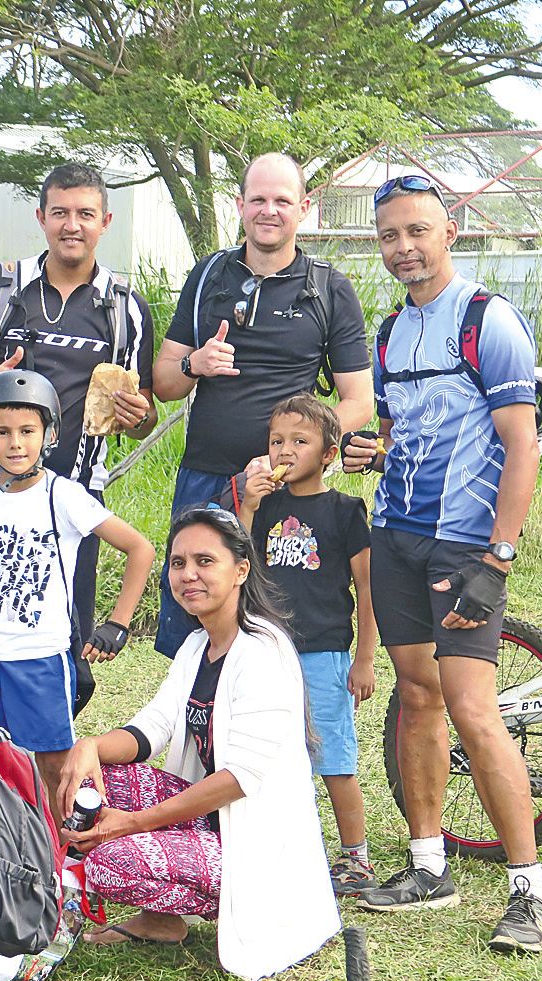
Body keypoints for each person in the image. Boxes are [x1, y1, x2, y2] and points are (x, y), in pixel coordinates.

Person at [338, 173, 542, 954]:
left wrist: (498, 558)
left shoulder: (489, 321)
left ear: (449, 231)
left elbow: (522, 445)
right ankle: (429, 866)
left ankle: (529, 891)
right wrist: (370, 448)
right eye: (390, 235)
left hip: (464, 543)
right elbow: (394, 430)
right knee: (418, 697)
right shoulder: (392, 332)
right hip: (396, 535)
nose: (403, 248)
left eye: (417, 232)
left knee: (471, 707)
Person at [57, 507, 339, 979]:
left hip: (253, 844)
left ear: (241, 569)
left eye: (205, 561)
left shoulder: (263, 651)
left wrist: (131, 824)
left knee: (110, 860)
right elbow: (153, 728)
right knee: (106, 781)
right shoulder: (197, 644)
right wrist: (89, 747)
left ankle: (201, 902)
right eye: (178, 562)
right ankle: (162, 921)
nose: (188, 574)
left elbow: (236, 782)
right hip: (209, 824)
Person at [150, 153, 374, 658]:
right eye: (258, 200)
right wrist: (196, 365)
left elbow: (359, 400)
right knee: (195, 628)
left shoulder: (328, 289)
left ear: (304, 208)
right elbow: (164, 383)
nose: (269, 210)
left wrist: (294, 451)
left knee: (278, 631)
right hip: (207, 480)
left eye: (282, 200)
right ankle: (199, 731)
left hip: (286, 494)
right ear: (240, 205)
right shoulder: (208, 276)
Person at [0, 369, 155, 807]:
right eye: (2, 432)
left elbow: (140, 549)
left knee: (52, 765)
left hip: (41, 657)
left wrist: (118, 624)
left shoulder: (63, 496)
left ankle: (55, 853)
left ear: (48, 434)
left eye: (27, 431)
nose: (15, 443)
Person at [0, 162, 158, 654]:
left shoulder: (125, 305)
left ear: (105, 223)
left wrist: (135, 414)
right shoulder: (2, 289)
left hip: (76, 497)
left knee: (68, 635)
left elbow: (143, 409)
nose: (72, 225)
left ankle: (53, 727)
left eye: (86, 213)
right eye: (60, 212)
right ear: (41, 217)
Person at [231, 395, 377, 897]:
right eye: (276, 441)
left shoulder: (344, 511)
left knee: (332, 755)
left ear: (329, 454)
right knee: (270, 753)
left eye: (300, 441)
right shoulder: (264, 505)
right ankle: (283, 849)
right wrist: (248, 503)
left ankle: (356, 858)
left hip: (324, 651)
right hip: (269, 649)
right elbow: (236, 560)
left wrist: (363, 658)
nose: (285, 451)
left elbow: (367, 588)